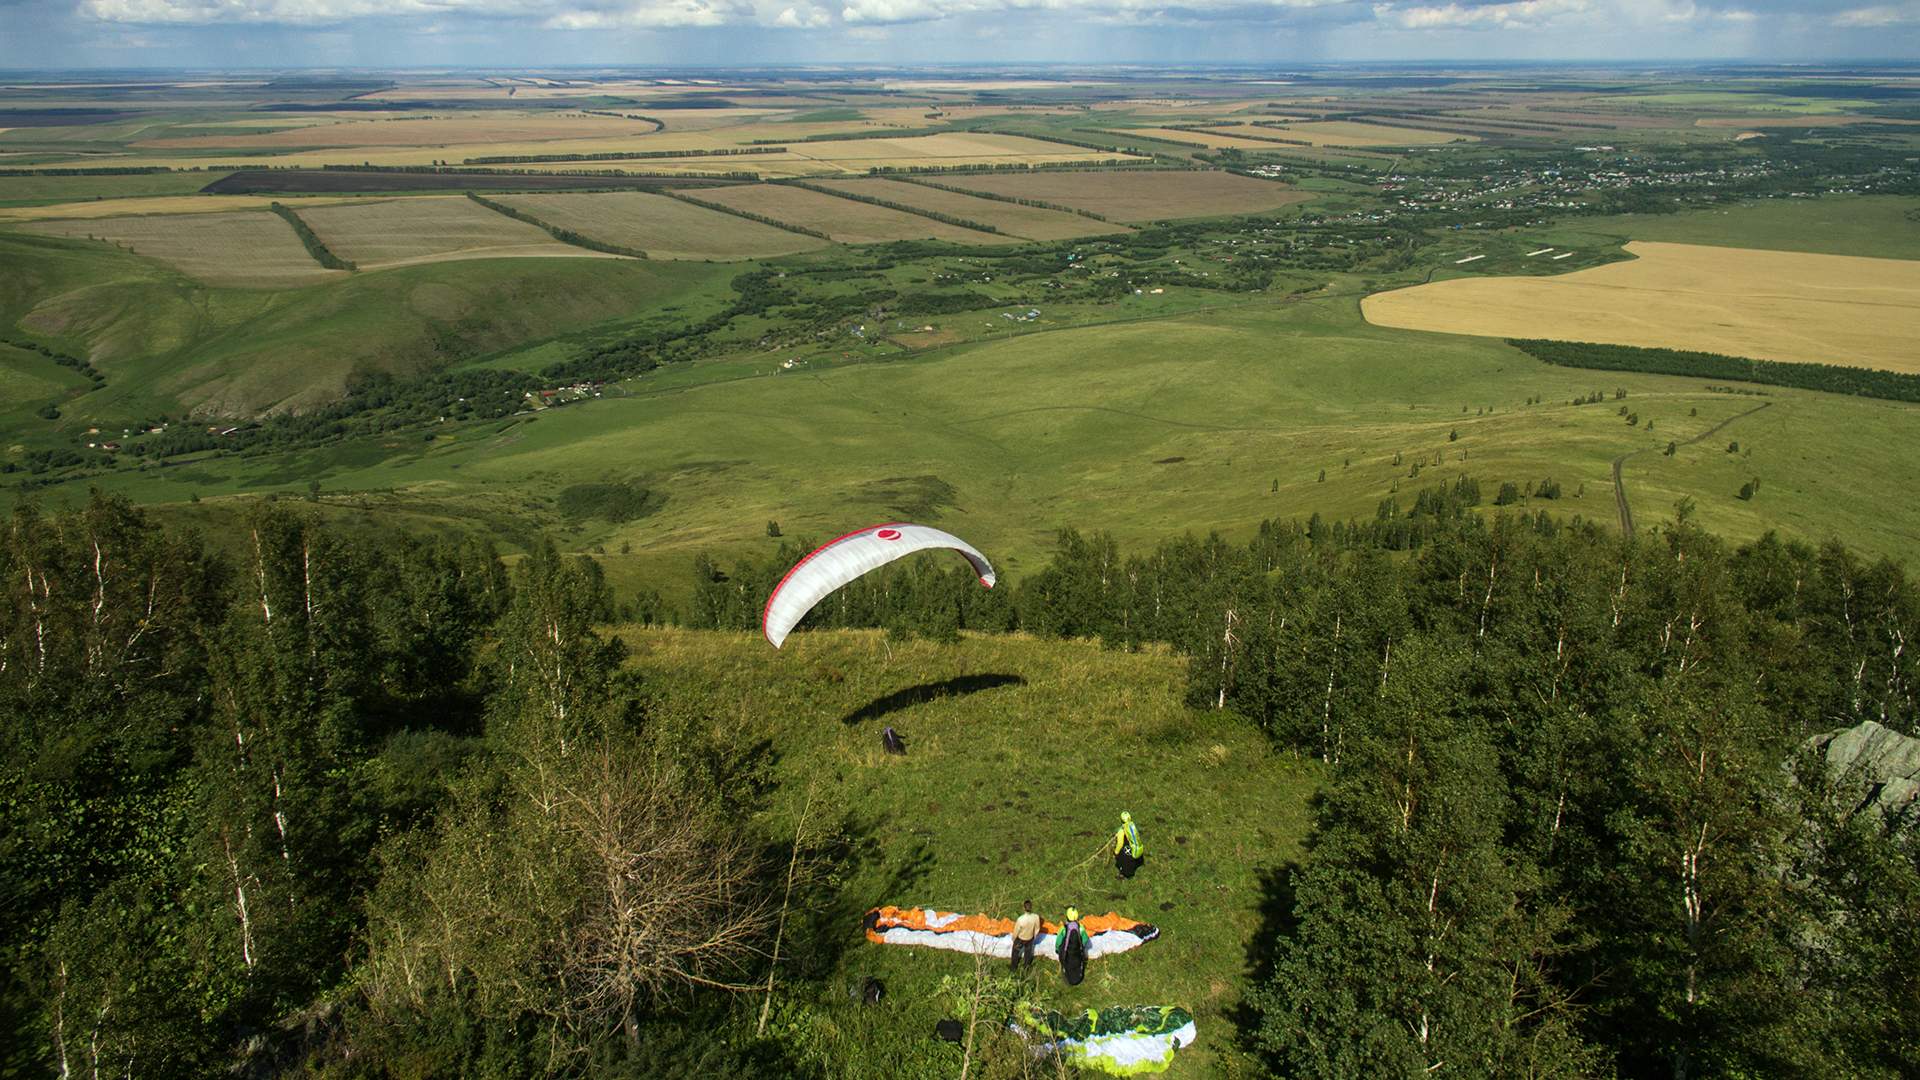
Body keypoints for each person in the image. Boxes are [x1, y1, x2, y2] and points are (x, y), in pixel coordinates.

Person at [1055, 906, 1091, 986]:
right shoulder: (1081, 928)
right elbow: (1085, 940)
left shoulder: (1063, 929)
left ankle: (1067, 976)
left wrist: (1057, 949)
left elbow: (1058, 942)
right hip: (1077, 953)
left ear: (1067, 917)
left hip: (1067, 955)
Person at [1010, 899, 1041, 972]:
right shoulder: (1036, 917)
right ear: (1031, 907)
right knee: (1028, 953)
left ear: (1023, 908)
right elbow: (1037, 928)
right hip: (1030, 938)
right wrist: (1034, 936)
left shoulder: (1020, 919)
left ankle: (1013, 967)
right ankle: (1026, 967)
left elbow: (1016, 931)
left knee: (1015, 952)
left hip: (1020, 939)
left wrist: (1013, 938)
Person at [1113, 811, 1144, 879]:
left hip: (1126, 850)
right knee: (1132, 861)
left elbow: (1120, 843)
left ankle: (1123, 874)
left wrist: (1116, 852)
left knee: (1123, 862)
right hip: (1134, 847)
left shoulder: (1121, 830)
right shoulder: (1132, 826)